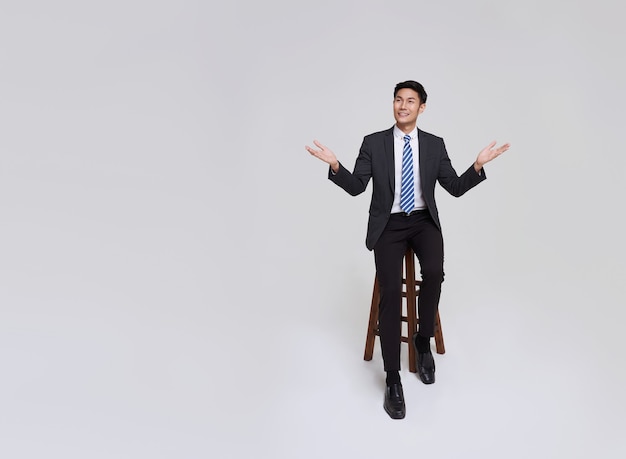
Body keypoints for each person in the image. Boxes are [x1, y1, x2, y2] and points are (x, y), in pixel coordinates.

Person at [305, 80, 509, 420]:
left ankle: (422, 339)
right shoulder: (374, 143)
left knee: (433, 273)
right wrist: (336, 166)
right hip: (389, 224)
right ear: (394, 104)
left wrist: (476, 167)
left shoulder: (434, 145)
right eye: (398, 100)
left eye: (410, 101)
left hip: (423, 221)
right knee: (391, 290)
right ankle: (393, 379)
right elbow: (357, 188)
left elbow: (455, 188)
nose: (403, 106)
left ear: (421, 108)